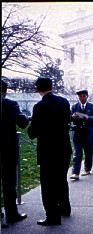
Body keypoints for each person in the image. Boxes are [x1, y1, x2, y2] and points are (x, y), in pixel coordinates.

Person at [27, 78, 72, 226]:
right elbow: (67, 119)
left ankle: (52, 216)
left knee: (48, 185)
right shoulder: (64, 102)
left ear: (38, 88)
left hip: (48, 150)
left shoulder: (39, 106)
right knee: (61, 179)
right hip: (64, 147)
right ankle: (65, 208)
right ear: (51, 87)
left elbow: (32, 132)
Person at [1, 80, 29, 228]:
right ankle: (12, 214)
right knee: (9, 181)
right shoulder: (9, 104)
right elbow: (23, 122)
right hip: (6, 148)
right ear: (5, 90)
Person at [70, 89, 93, 180]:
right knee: (77, 153)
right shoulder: (74, 107)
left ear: (87, 96)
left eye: (83, 96)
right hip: (77, 133)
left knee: (88, 152)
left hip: (88, 133)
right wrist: (72, 117)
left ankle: (87, 169)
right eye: (80, 96)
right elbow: (69, 118)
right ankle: (75, 172)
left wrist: (87, 118)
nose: (82, 98)